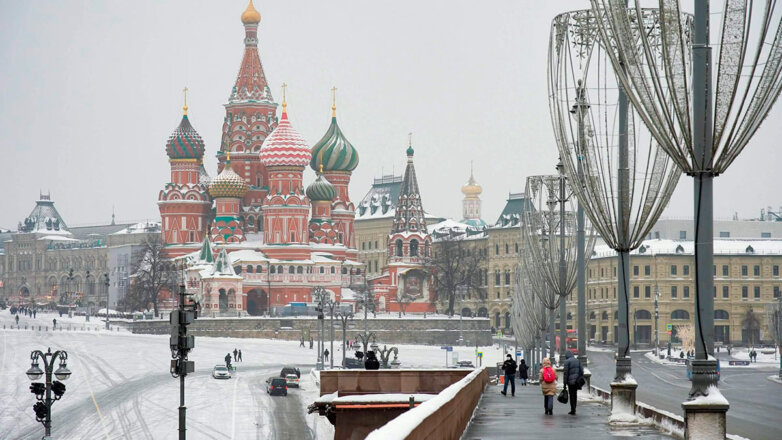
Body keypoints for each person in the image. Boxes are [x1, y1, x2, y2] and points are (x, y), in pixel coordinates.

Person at [562, 350, 584, 415]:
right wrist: (579, 377)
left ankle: (572, 409)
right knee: (575, 394)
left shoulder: (567, 361)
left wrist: (564, 383)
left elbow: (565, 373)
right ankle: (574, 408)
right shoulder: (577, 360)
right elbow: (581, 370)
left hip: (570, 381)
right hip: (576, 381)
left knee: (571, 395)